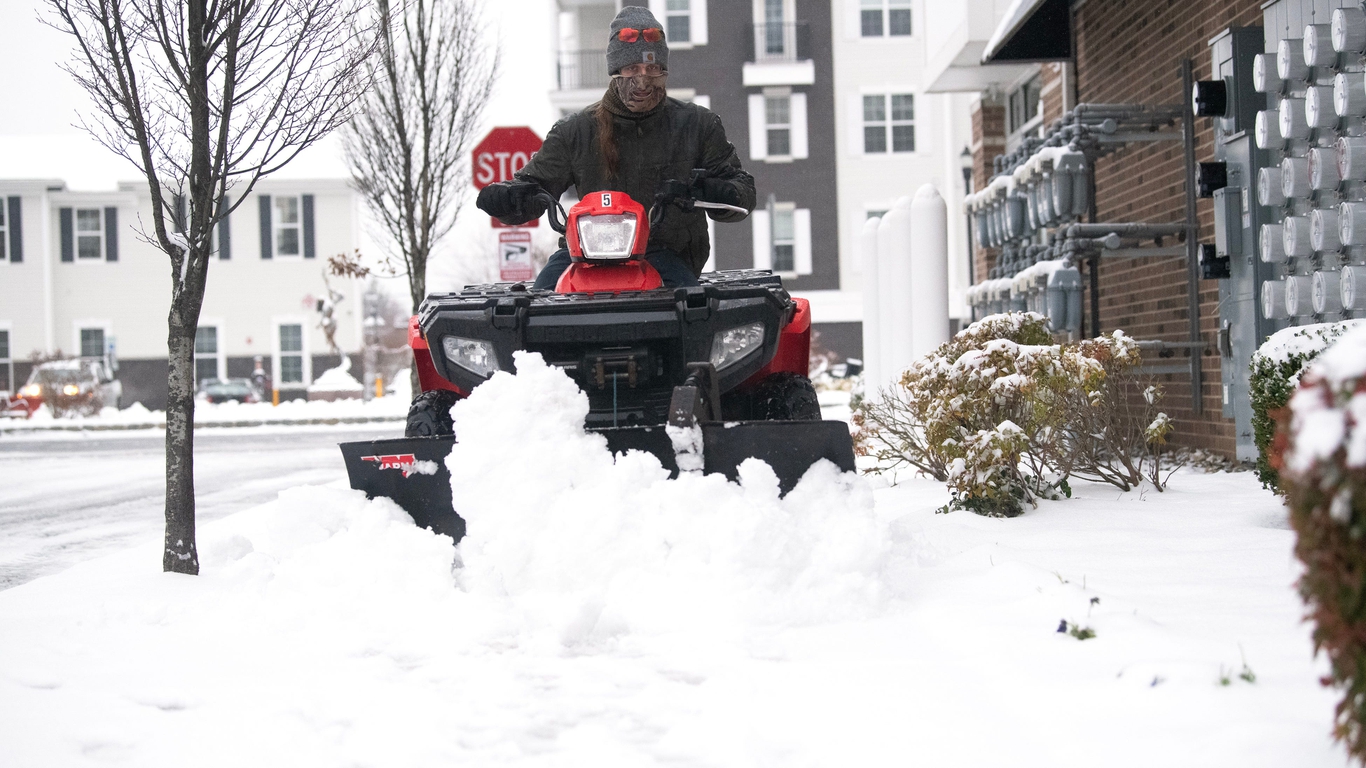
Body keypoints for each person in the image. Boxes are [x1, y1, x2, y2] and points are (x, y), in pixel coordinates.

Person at [476, 5, 756, 289]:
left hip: (666, 252)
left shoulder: (697, 125)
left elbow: (741, 190)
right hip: (583, 254)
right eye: (633, 68)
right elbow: (534, 184)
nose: (644, 79)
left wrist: (716, 191)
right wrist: (509, 198)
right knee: (539, 304)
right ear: (616, 70)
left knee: (694, 312)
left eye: (653, 68)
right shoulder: (575, 131)